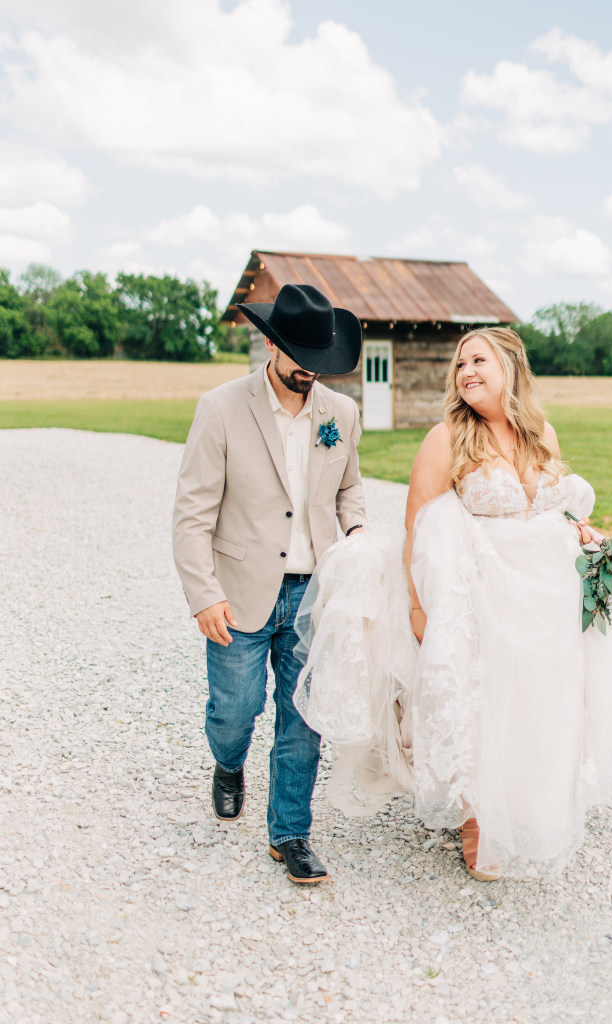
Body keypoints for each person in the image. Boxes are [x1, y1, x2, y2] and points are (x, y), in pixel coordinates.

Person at [294, 327, 612, 880]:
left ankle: (529, 797)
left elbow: (554, 511)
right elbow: (417, 520)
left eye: (478, 360)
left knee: (538, 696)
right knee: (482, 698)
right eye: (460, 363)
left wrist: (593, 540)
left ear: (510, 366)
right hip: (477, 593)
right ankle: (475, 815)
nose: (466, 371)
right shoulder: (447, 438)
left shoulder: (542, 434)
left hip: (540, 592)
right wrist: (419, 608)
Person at [172, 283, 366, 885]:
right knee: (237, 711)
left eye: (320, 361)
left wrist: (357, 534)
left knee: (302, 716)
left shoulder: (342, 415)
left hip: (314, 594)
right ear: (270, 344)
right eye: (300, 357)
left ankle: (290, 833)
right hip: (238, 589)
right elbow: (192, 512)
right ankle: (228, 764)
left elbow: (349, 489)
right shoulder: (221, 407)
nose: (311, 370)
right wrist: (204, 593)